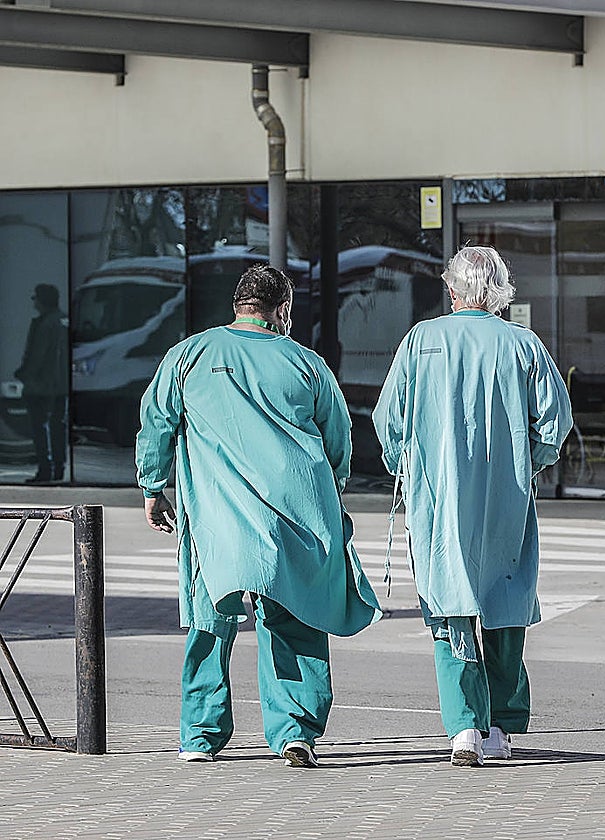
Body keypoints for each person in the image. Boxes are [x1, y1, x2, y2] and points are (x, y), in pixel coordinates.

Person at [135, 264, 381, 768]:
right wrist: (333, 496)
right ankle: (295, 733)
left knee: (210, 623)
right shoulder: (306, 364)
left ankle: (199, 737)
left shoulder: (190, 355)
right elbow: (338, 445)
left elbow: (156, 421)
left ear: (237, 306)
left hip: (216, 521)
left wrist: (153, 487)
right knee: (294, 622)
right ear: (282, 309)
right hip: (294, 517)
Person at [373, 245, 572, 768]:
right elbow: (554, 423)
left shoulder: (422, 341)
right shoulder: (523, 346)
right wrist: (529, 464)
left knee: (449, 607)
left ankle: (463, 727)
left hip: (439, 499)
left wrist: (408, 466)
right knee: (506, 606)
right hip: (506, 497)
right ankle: (502, 727)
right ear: (501, 292)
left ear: (453, 290)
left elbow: (387, 418)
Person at [16, 283, 69, 484]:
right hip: (61, 386)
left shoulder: (44, 324)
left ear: (42, 300)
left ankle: (45, 469)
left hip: (42, 386)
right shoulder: (63, 321)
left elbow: (37, 356)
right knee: (58, 427)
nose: (33, 301)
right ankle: (58, 467)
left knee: (41, 428)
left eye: (35, 297)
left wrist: (24, 373)